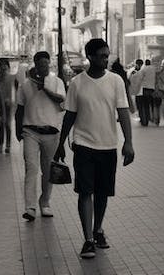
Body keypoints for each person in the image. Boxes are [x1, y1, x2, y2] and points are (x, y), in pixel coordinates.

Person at [54, 38, 134, 260]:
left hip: (108, 145)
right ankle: (88, 239)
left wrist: (128, 142)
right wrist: (61, 143)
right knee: (85, 191)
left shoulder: (116, 81)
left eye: (107, 55)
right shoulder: (77, 83)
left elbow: (124, 112)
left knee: (102, 193)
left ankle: (98, 229)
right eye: (101, 55)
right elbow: (70, 114)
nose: (106, 59)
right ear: (89, 56)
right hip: (83, 145)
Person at [15, 50, 65, 221]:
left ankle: (45, 202)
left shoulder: (57, 81)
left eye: (46, 64)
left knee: (48, 171)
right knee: (31, 169)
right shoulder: (25, 85)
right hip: (30, 131)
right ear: (35, 65)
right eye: (40, 64)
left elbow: (61, 101)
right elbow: (20, 108)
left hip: (51, 133)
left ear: (49, 64)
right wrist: (17, 129)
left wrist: (45, 89)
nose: (43, 67)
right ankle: (30, 207)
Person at [0, 57, 16, 154]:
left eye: (5, 65)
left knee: (7, 125)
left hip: (8, 104)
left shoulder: (11, 77)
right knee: (1, 125)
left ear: (8, 66)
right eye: (1, 64)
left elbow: (16, 89)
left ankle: (8, 145)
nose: (3, 66)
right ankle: (0, 144)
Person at [139, 58, 155, 126]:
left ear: (145, 63)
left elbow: (140, 78)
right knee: (153, 105)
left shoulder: (143, 69)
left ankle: (146, 120)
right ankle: (153, 118)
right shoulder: (153, 69)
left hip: (145, 89)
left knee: (145, 106)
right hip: (152, 89)